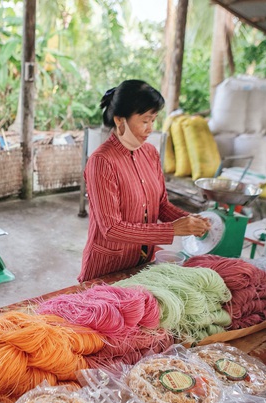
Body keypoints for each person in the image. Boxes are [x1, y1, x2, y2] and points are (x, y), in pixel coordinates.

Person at [78, 79, 211, 282]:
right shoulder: (101, 162)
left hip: (142, 262)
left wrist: (190, 221)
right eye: (145, 120)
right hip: (108, 267)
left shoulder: (149, 153)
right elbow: (111, 229)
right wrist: (174, 229)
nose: (150, 129)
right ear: (120, 120)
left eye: (154, 120)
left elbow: (161, 205)